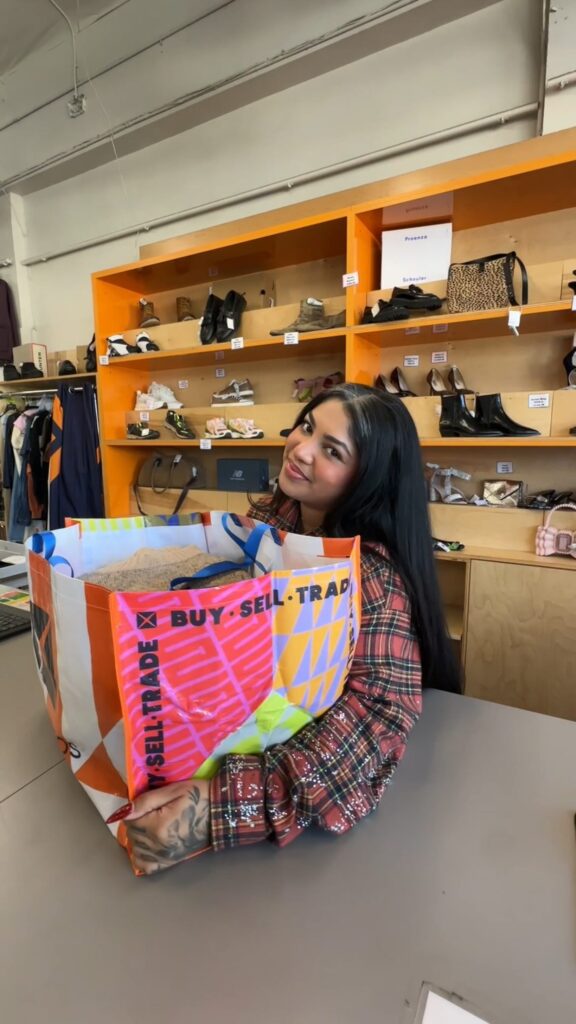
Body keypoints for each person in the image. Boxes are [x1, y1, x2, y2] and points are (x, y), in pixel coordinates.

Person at [125, 383, 460, 873]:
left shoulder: (371, 576)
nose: (300, 450)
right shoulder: (273, 515)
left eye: (331, 450)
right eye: (307, 427)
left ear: (367, 478)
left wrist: (220, 807)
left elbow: (378, 718)